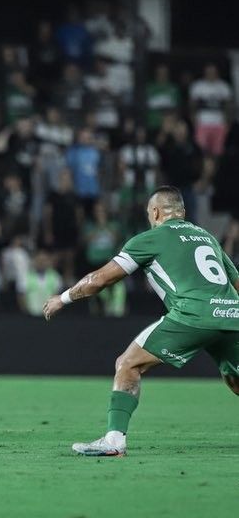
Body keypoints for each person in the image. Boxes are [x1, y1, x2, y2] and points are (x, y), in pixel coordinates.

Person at [43, 186, 239, 456]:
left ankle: (114, 441)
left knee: (127, 364)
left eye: (149, 213)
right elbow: (236, 283)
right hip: (232, 315)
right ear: (182, 212)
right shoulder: (208, 238)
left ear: (156, 212)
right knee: (235, 381)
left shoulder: (150, 239)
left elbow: (99, 280)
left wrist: (62, 299)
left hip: (191, 315)